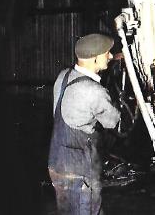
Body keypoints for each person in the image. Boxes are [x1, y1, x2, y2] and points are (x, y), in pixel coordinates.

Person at [48, 34, 121, 215]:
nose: (111, 57)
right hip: (80, 171)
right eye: (107, 54)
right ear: (95, 58)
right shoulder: (95, 91)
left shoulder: (63, 77)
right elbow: (113, 122)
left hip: (57, 165)